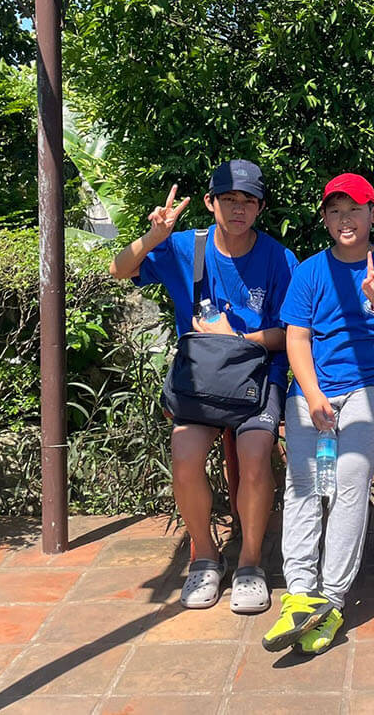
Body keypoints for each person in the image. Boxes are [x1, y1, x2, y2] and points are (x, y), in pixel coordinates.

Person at [109, 160, 296, 614]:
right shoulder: (184, 247)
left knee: (256, 452)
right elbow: (119, 269)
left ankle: (250, 563)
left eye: (248, 201)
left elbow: (291, 333)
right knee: (184, 452)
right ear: (211, 202)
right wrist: (152, 237)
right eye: (229, 199)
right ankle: (206, 557)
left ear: (260, 208)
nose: (238, 209)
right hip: (202, 379)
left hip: (258, 377)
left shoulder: (278, 258)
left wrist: (236, 337)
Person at [262, 173, 374, 655]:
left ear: (373, 213)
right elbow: (297, 338)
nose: (344, 219)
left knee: (350, 475)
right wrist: (312, 395)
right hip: (313, 390)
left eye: (353, 209)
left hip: (373, 389)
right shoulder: (310, 271)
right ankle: (299, 593)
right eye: (334, 211)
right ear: (325, 219)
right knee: (304, 482)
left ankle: (331, 600)